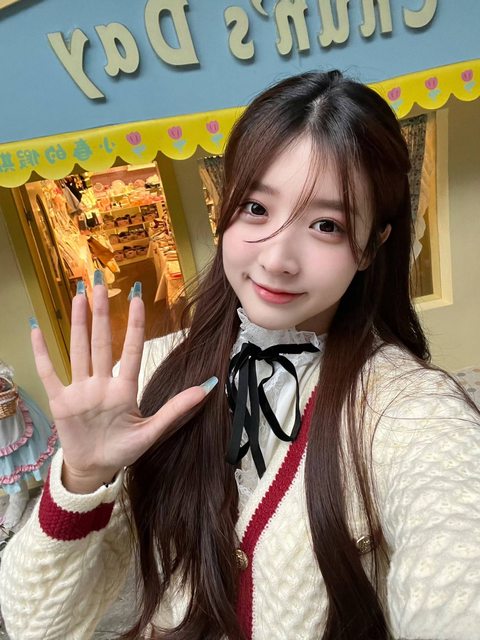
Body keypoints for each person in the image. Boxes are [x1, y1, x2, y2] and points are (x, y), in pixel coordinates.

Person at [1, 70, 479, 640]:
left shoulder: (402, 405)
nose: (277, 258)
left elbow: (456, 540)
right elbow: (33, 625)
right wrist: (82, 479)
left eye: (326, 225)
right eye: (256, 208)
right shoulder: (153, 374)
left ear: (374, 244)